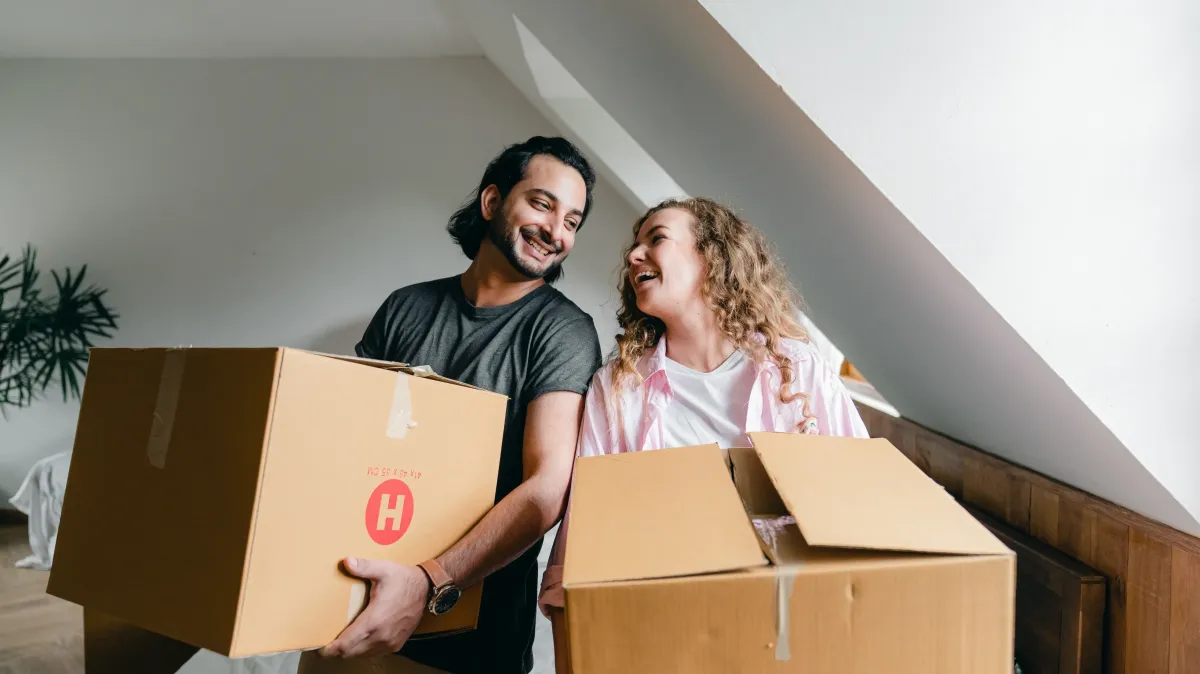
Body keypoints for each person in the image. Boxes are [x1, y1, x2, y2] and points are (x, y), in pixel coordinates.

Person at [300, 136, 604, 674]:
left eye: (573, 221)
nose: (556, 231)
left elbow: (546, 487)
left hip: (470, 645)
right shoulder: (406, 307)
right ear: (492, 202)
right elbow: (347, 446)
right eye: (542, 204)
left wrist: (429, 581)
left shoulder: (562, 331)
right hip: (351, 616)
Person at [537, 197, 870, 669]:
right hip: (660, 639)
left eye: (656, 238)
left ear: (711, 255)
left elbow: (866, 505)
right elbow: (579, 548)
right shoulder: (617, 390)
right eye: (634, 244)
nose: (633, 255)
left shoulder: (798, 370)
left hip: (791, 639)